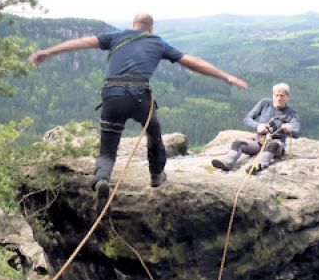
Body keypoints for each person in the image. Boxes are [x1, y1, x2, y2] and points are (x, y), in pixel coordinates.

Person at [29, 12, 248, 209]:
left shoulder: (116, 36)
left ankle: (103, 178)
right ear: (151, 28)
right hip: (139, 96)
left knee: (107, 148)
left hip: (112, 95)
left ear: (134, 25)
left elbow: (83, 42)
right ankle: (156, 175)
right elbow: (194, 62)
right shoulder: (158, 42)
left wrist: (48, 51)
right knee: (153, 130)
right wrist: (226, 76)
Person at [211, 83, 301, 174]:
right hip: (259, 142)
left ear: (287, 97)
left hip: (276, 146)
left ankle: (258, 166)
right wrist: (258, 126)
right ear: (273, 95)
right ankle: (227, 163)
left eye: (282, 96)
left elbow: (297, 133)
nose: (279, 98)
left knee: (273, 144)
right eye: (276, 95)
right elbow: (247, 118)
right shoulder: (265, 103)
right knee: (238, 143)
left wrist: (289, 129)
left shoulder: (291, 113)